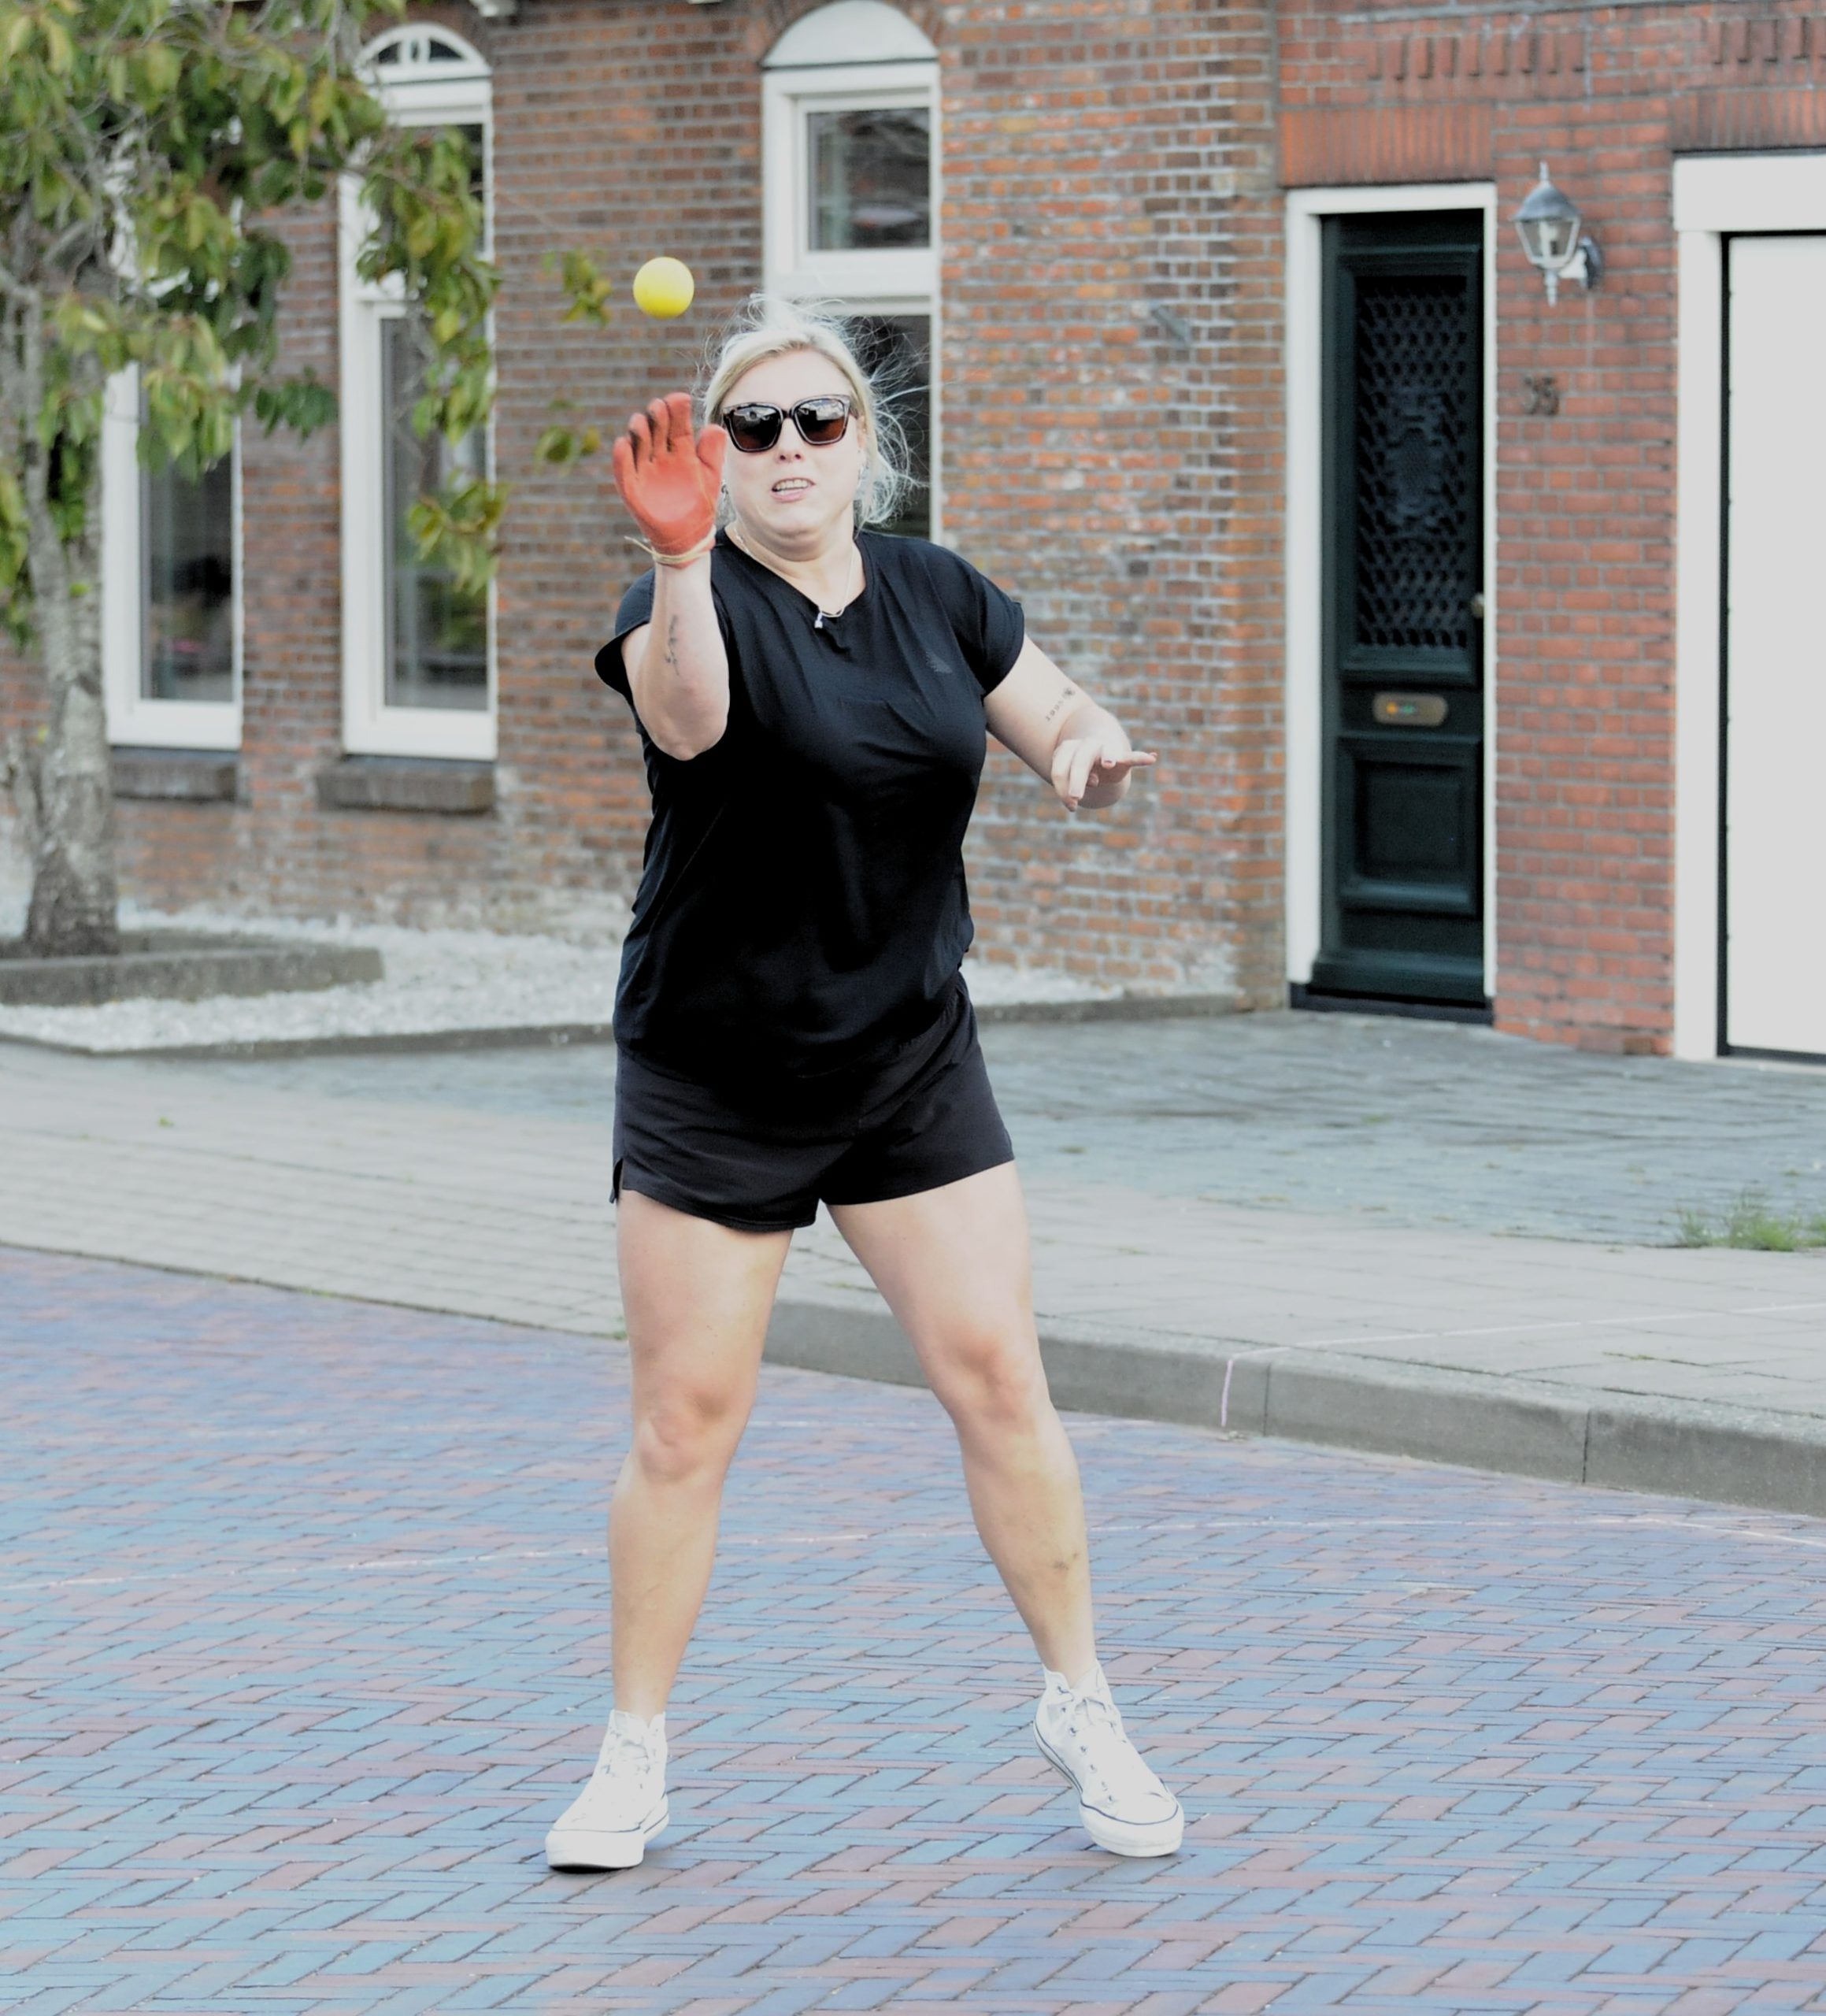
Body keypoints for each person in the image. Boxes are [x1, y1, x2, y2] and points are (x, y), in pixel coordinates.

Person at [546, 301, 1182, 1873]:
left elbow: (1051, 713)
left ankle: (1082, 1703)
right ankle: (631, 1754)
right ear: (717, 453)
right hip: (716, 1071)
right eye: (751, 426)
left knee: (1001, 1378)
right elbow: (690, 722)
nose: (786, 449)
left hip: (906, 1060)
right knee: (685, 1424)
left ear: (862, 445)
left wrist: (1089, 752)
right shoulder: (678, 598)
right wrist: (679, 556)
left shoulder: (937, 593)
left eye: (815, 421)